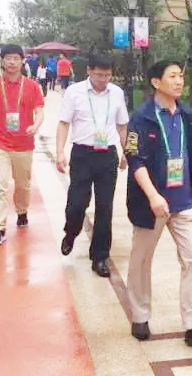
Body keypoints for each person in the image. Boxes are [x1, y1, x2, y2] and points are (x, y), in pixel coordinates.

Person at [125, 60, 192, 350]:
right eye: (173, 76)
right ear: (156, 82)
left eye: (181, 76)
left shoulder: (186, 114)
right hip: (150, 202)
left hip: (184, 200)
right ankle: (140, 315)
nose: (179, 81)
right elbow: (134, 159)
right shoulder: (141, 117)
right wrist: (153, 196)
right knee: (141, 260)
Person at [57, 54, 129, 277]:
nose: (103, 79)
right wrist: (60, 152)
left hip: (107, 155)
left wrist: (126, 152)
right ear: (88, 71)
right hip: (82, 154)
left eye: (107, 75)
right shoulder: (74, 92)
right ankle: (71, 232)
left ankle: (100, 256)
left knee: (105, 207)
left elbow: (122, 125)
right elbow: (63, 123)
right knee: (77, 203)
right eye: (99, 75)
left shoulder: (116, 93)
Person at [0, 44, 44, 246]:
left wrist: (35, 125)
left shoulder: (32, 86)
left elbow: (39, 110)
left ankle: (22, 210)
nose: (11, 62)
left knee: (22, 184)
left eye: (16, 58)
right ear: (2, 61)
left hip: (24, 143)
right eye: (8, 58)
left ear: (22, 61)